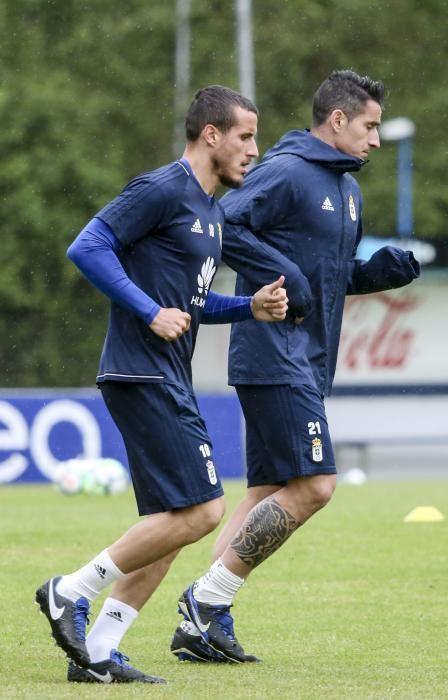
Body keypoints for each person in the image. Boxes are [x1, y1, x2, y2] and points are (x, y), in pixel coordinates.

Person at [34, 84, 289, 684]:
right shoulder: (161, 189)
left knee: (171, 524)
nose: (254, 149)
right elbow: (87, 246)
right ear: (211, 135)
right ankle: (68, 591)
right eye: (246, 136)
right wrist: (148, 311)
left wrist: (247, 306)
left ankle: (97, 652)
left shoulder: (209, 214)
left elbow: (191, 304)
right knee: (204, 510)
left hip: (165, 372)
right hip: (139, 369)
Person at [169, 69, 421, 662]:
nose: (376, 140)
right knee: (314, 486)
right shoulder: (286, 170)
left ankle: (204, 617)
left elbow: (320, 280)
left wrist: (374, 274)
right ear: (337, 120)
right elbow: (223, 224)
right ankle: (204, 604)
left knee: (267, 491)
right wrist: (287, 275)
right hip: (273, 353)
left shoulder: (347, 189)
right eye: (369, 126)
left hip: (305, 361)